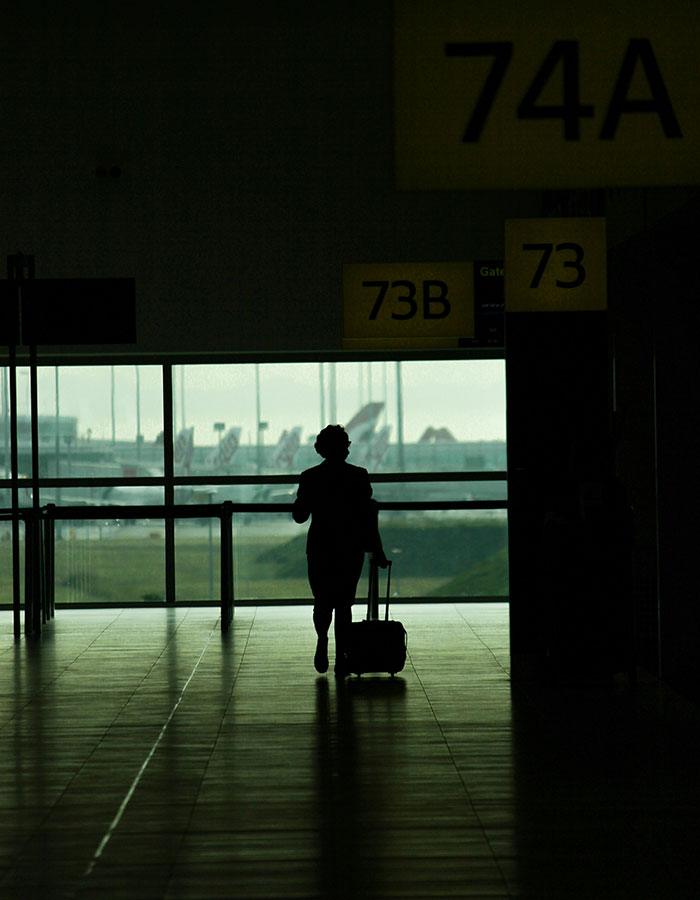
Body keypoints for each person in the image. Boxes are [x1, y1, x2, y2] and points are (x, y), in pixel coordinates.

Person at [293, 424, 387, 676]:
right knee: (344, 605)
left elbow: (300, 516)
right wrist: (377, 550)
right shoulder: (358, 476)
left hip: (320, 547)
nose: (348, 448)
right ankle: (342, 657)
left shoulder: (310, 477)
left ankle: (322, 640)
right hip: (350, 547)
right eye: (346, 443)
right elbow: (368, 518)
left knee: (322, 601)